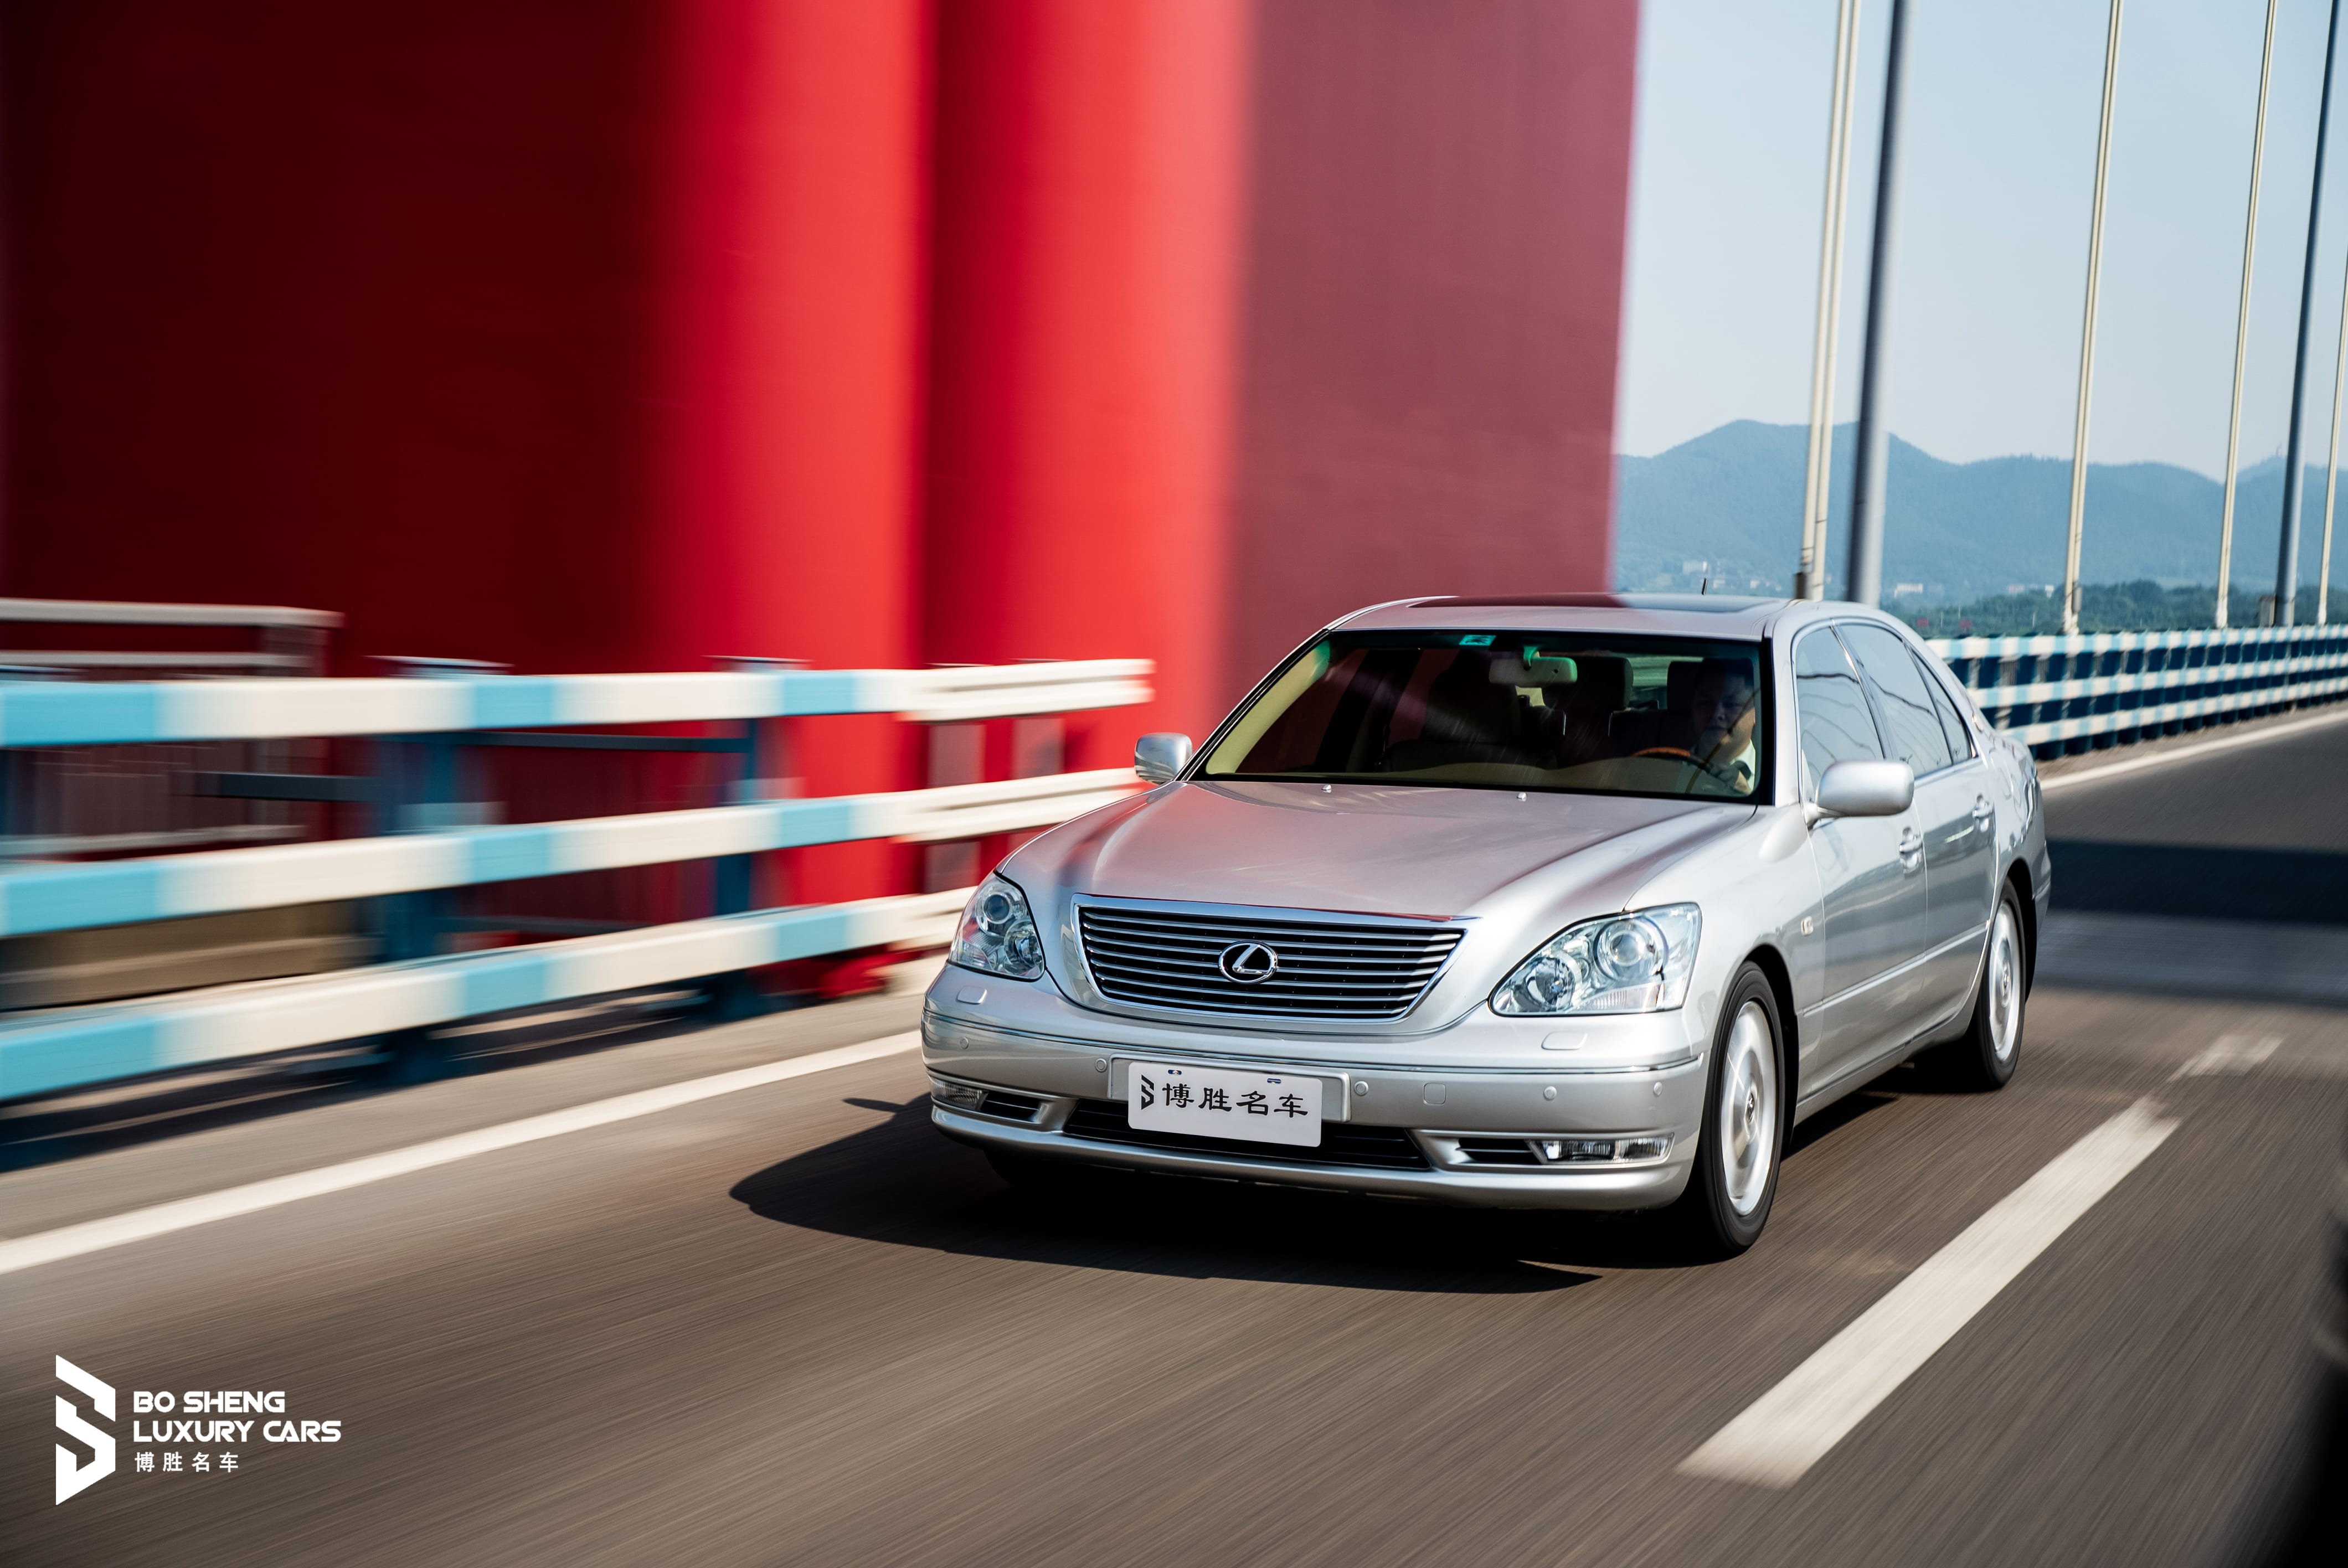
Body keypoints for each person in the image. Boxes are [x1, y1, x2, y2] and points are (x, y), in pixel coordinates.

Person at [1687, 657, 1759, 792]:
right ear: (1693, 707)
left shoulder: (1783, 772)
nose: (1716, 714)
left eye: (1732, 704)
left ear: (1757, 712)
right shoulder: (1664, 772)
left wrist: (1748, 796)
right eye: (1706, 703)